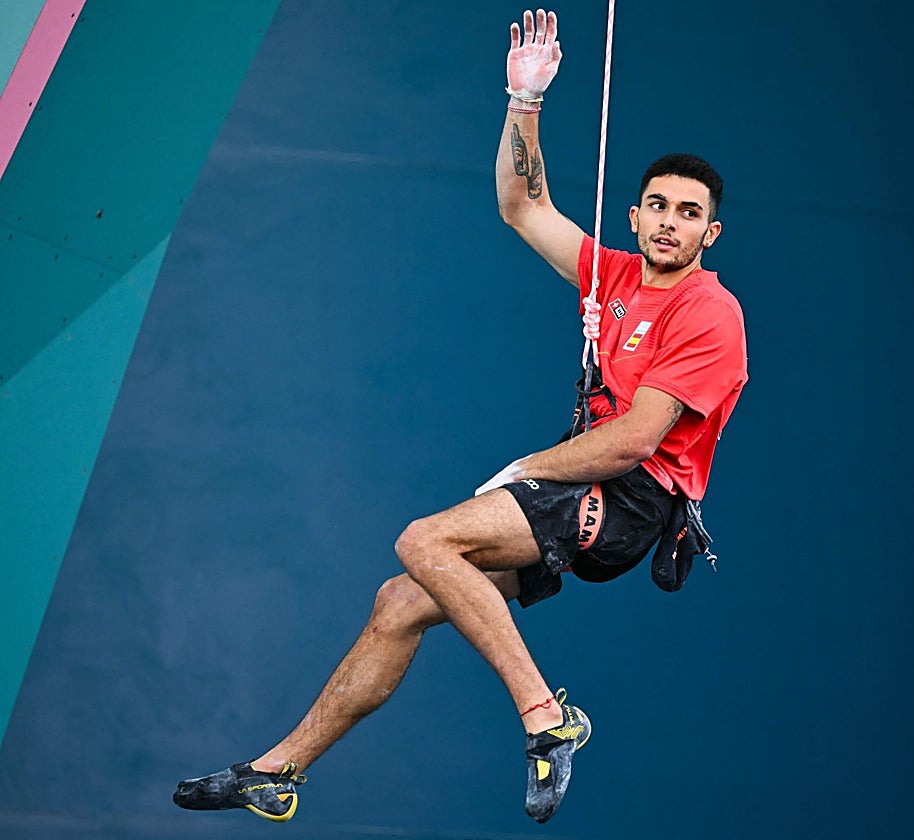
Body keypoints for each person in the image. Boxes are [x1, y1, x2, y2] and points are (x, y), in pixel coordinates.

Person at [173, 7, 747, 826]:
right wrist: (525, 101)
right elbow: (522, 206)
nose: (668, 221)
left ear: (709, 232)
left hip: (629, 499)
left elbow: (635, 439)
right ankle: (279, 769)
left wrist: (526, 469)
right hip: (587, 486)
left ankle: (547, 721)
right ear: (635, 215)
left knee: (425, 538)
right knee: (400, 600)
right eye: (657, 205)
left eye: (688, 214)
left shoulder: (710, 311)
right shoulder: (612, 274)